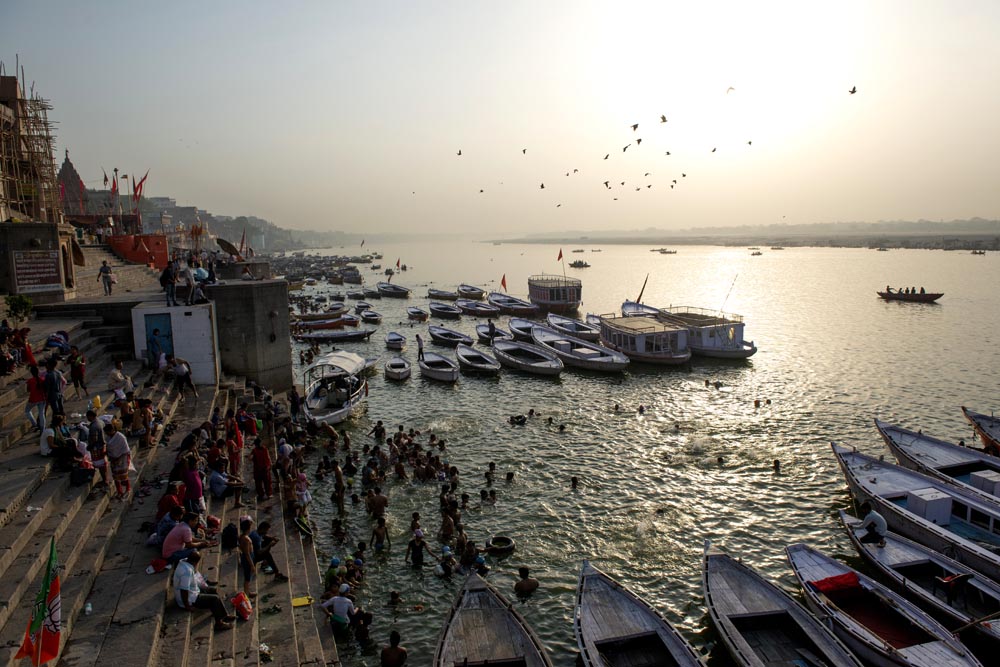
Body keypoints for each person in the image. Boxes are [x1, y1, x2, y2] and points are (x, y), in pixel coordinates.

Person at [173, 550, 236, 631]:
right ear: (196, 562)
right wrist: (187, 606)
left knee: (213, 590)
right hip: (190, 599)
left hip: (193, 591)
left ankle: (224, 615)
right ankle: (219, 624)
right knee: (215, 599)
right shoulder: (187, 572)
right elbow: (184, 590)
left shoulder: (184, 562)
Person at [105, 422, 132, 499]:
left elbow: (125, 449)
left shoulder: (120, 437)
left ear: (112, 430)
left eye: (108, 432)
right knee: (116, 477)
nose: (107, 434)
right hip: (113, 459)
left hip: (122, 458)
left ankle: (128, 488)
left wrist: (118, 457)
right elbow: (109, 448)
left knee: (124, 475)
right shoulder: (108, 438)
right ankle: (119, 491)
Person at [238, 518, 257, 598]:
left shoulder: (241, 536)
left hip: (247, 557)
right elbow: (247, 553)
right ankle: (246, 595)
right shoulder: (246, 539)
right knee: (247, 578)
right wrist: (252, 565)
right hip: (248, 559)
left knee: (248, 577)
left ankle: (248, 592)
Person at [24, 364, 47, 432]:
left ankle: (34, 424)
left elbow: (28, 390)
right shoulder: (42, 380)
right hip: (42, 398)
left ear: (31, 373)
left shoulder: (30, 381)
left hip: (33, 399)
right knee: (41, 413)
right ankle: (43, 428)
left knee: (27, 411)